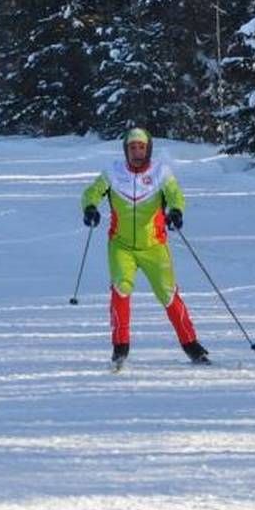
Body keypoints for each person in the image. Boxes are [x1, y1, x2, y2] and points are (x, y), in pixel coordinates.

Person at [80, 127, 209, 366]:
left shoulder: (161, 172)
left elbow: (175, 196)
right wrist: (90, 207)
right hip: (121, 246)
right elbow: (91, 193)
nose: (136, 152)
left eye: (141, 147)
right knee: (121, 290)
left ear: (148, 148)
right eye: (132, 147)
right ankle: (120, 348)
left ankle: (192, 346)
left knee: (169, 295)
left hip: (155, 246)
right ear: (126, 150)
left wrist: (176, 212)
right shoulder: (113, 172)